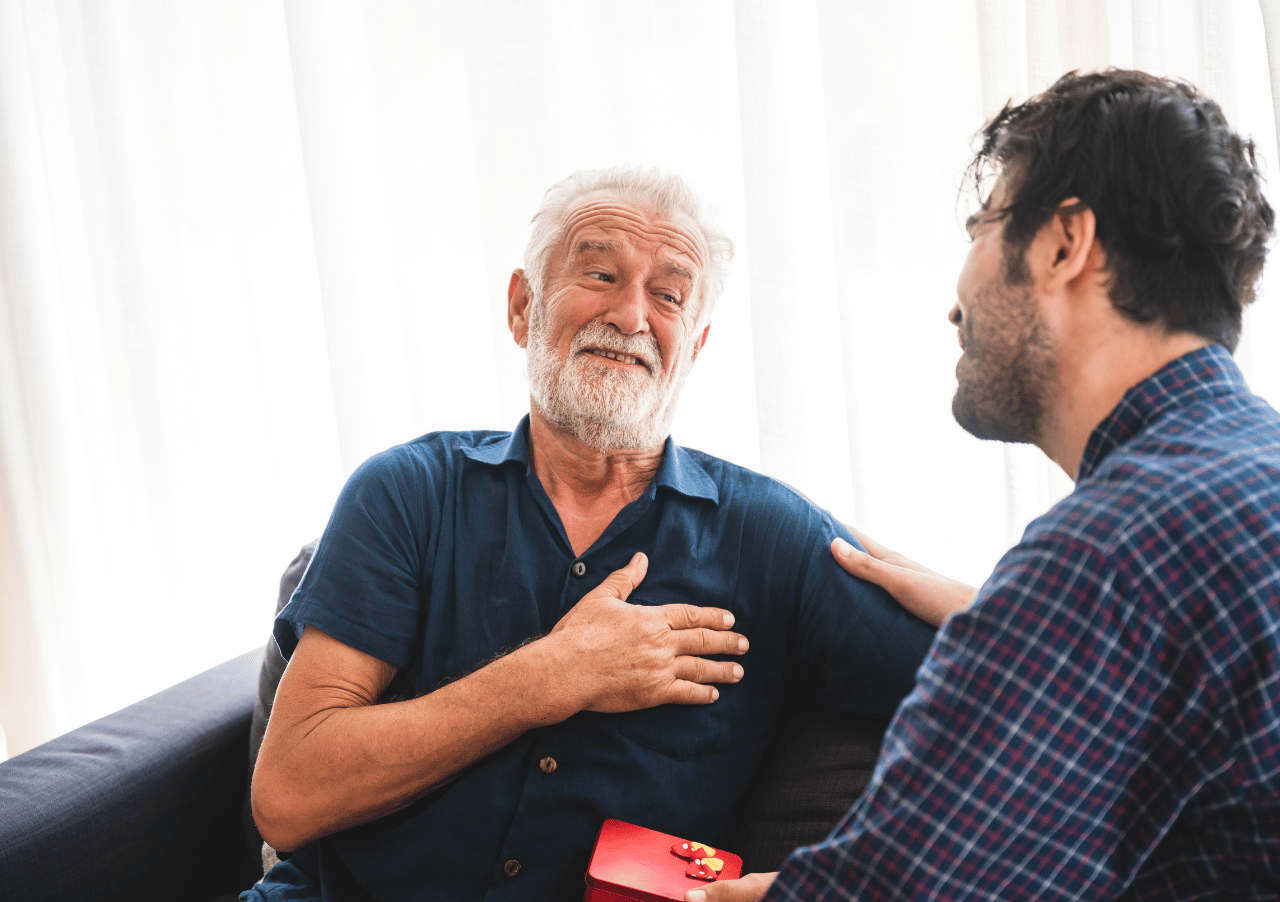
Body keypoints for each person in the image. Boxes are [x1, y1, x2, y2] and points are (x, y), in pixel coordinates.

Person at [244, 166, 939, 901]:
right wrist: (553, 675)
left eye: (668, 295)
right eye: (600, 273)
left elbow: (1023, 698)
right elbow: (288, 796)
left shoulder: (772, 540)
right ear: (522, 308)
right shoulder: (407, 493)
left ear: (694, 345)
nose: (632, 315)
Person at [696, 69, 1280, 902]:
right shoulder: (1241, 483)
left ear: (1062, 243)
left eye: (982, 226)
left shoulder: (1105, 557)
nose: (955, 304)